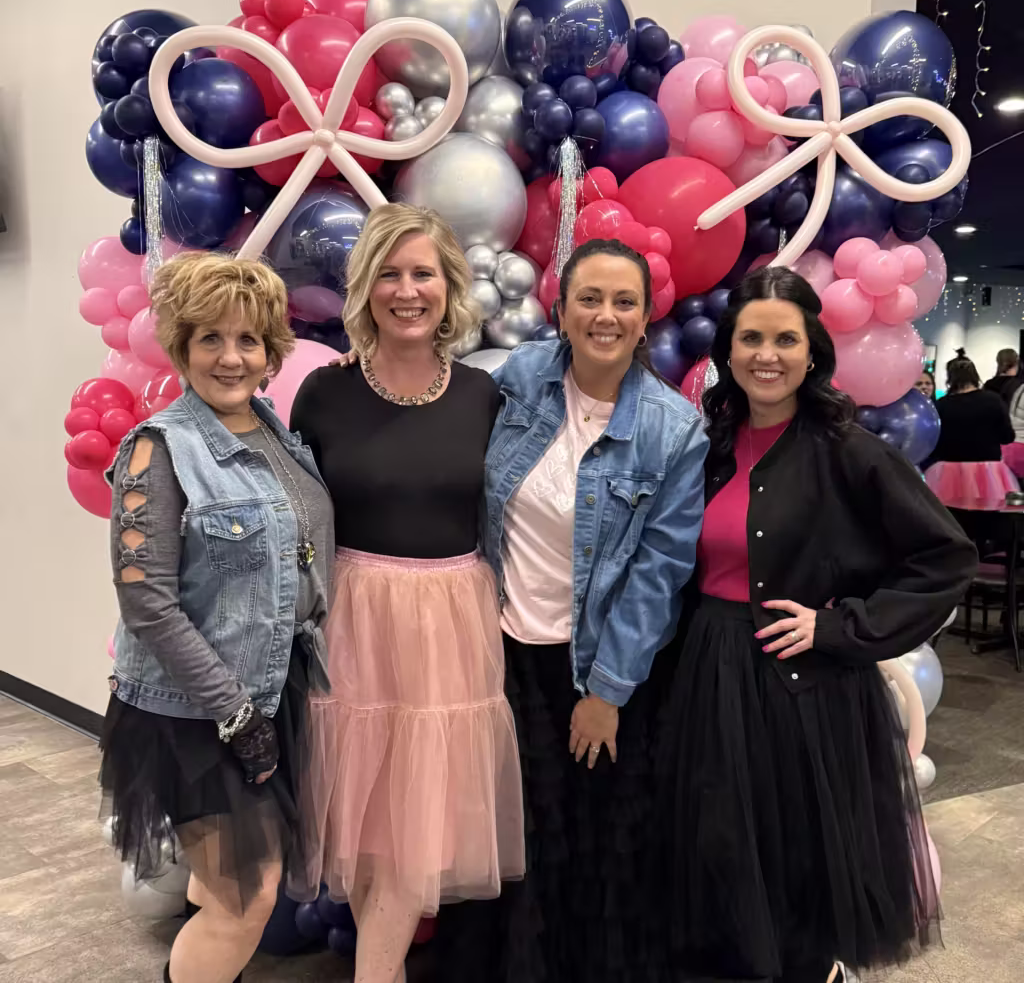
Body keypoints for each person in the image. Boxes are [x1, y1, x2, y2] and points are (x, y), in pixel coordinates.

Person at [655, 266, 976, 983]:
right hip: (709, 674)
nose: (767, 355)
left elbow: (944, 558)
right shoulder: (707, 444)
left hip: (801, 689)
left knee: (793, 873)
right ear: (729, 351)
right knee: (722, 862)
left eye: (785, 339)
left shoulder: (847, 450)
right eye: (752, 338)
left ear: (811, 352)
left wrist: (842, 627)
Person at [436, 238, 708, 983]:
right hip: (498, 658)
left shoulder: (672, 430)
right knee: (503, 837)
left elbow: (660, 572)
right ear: (560, 308)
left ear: (648, 317)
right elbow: (433, 406)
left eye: (625, 301)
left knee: (587, 848)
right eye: (590, 298)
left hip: (593, 671)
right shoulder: (519, 379)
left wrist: (608, 694)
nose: (606, 315)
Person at [289, 203, 524, 983]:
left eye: (423, 272)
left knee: (406, 829)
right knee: (357, 824)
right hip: (350, 619)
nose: (407, 290)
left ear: (450, 286)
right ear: (365, 288)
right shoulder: (322, 395)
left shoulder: (485, 399)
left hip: (448, 626)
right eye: (389, 273)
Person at [99, 253, 334, 983]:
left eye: (248, 341)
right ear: (182, 346)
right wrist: (235, 713)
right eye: (210, 339)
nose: (231, 358)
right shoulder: (157, 448)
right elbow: (146, 602)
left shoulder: (277, 435)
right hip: (198, 716)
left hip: (275, 692)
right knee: (246, 899)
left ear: (271, 352)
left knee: (222, 885)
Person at [926, 349, 1017, 506]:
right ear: (975, 376)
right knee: (987, 518)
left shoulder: (942, 405)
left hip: (949, 472)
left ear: (950, 378)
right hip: (988, 471)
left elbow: (935, 442)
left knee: (954, 518)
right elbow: (1007, 436)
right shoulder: (993, 400)